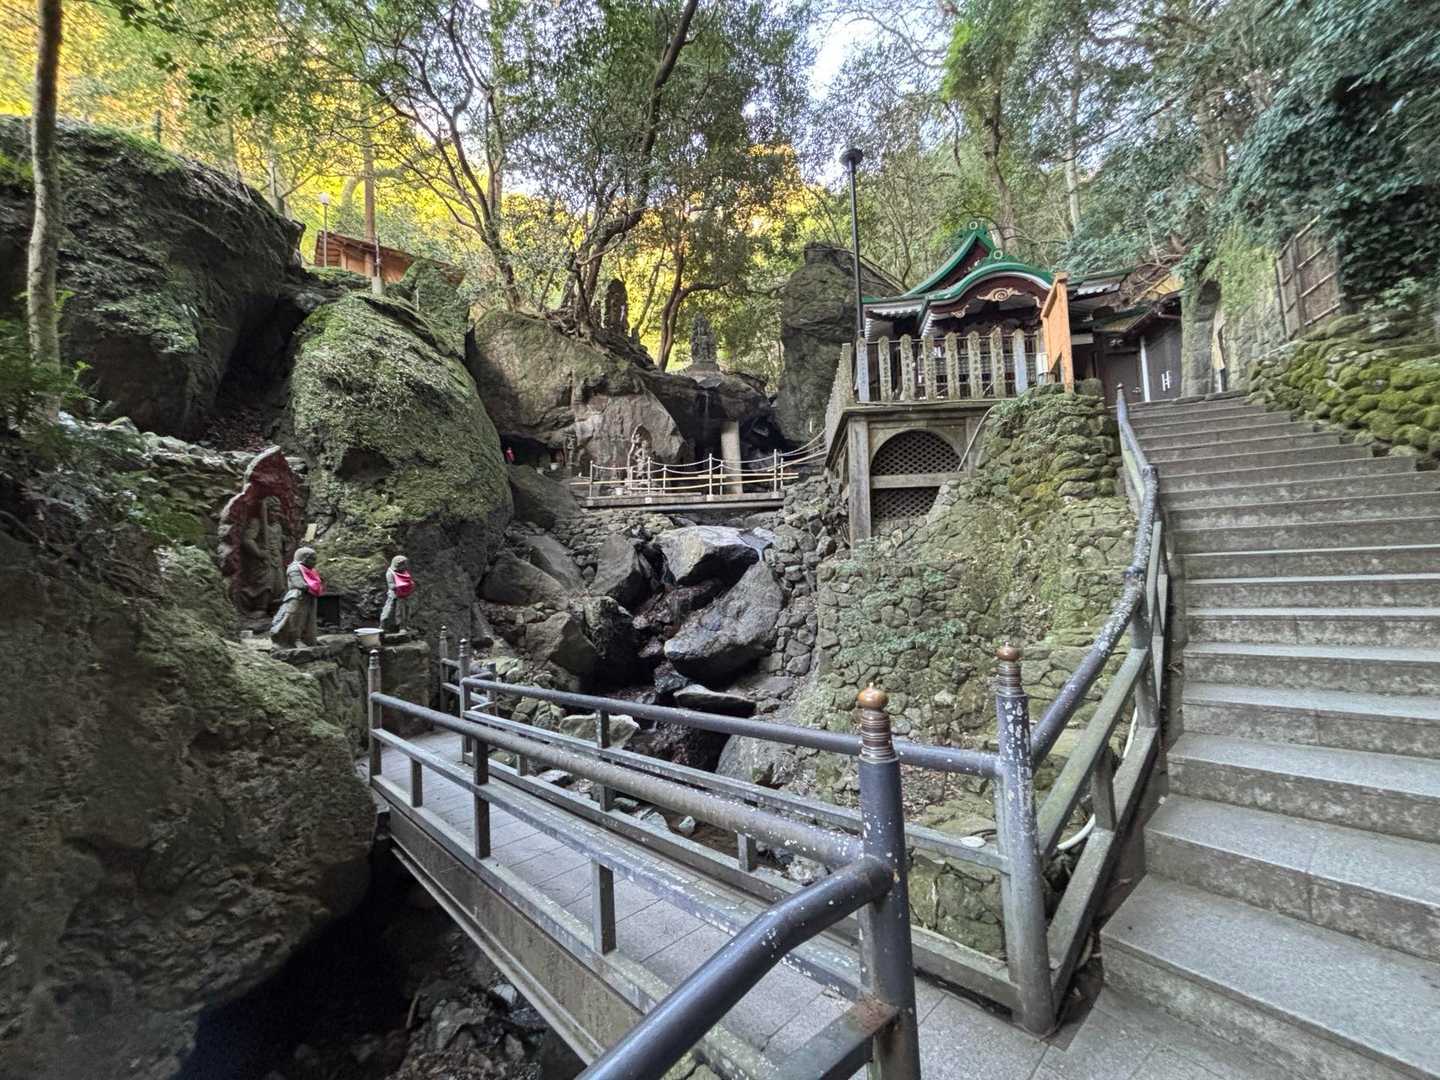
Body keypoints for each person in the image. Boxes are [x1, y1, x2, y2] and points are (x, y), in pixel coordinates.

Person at [271, 547, 322, 647]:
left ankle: (309, 639)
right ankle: (294, 639)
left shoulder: (310, 570)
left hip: (309, 596)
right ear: (304, 558)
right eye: (312, 559)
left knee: (309, 620)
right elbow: (299, 584)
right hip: (297, 597)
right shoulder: (294, 568)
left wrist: (315, 587)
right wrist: (312, 587)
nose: (315, 562)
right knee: (295, 619)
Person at [380, 554, 415, 632]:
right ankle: (383, 626)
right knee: (390, 611)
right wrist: (401, 586)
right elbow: (391, 586)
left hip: (404, 595)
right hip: (394, 595)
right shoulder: (390, 573)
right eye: (403, 564)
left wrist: (410, 584)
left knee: (405, 611)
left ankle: (404, 626)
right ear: (397, 564)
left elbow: (409, 580)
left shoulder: (404, 572)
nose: (405, 566)